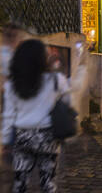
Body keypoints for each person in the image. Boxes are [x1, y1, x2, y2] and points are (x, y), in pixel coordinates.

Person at [2, 39, 72, 192]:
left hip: (22, 137)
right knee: (48, 183)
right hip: (48, 137)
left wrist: (6, 141)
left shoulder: (12, 85)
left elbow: (8, 116)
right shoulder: (56, 80)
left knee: (20, 184)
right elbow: (67, 101)